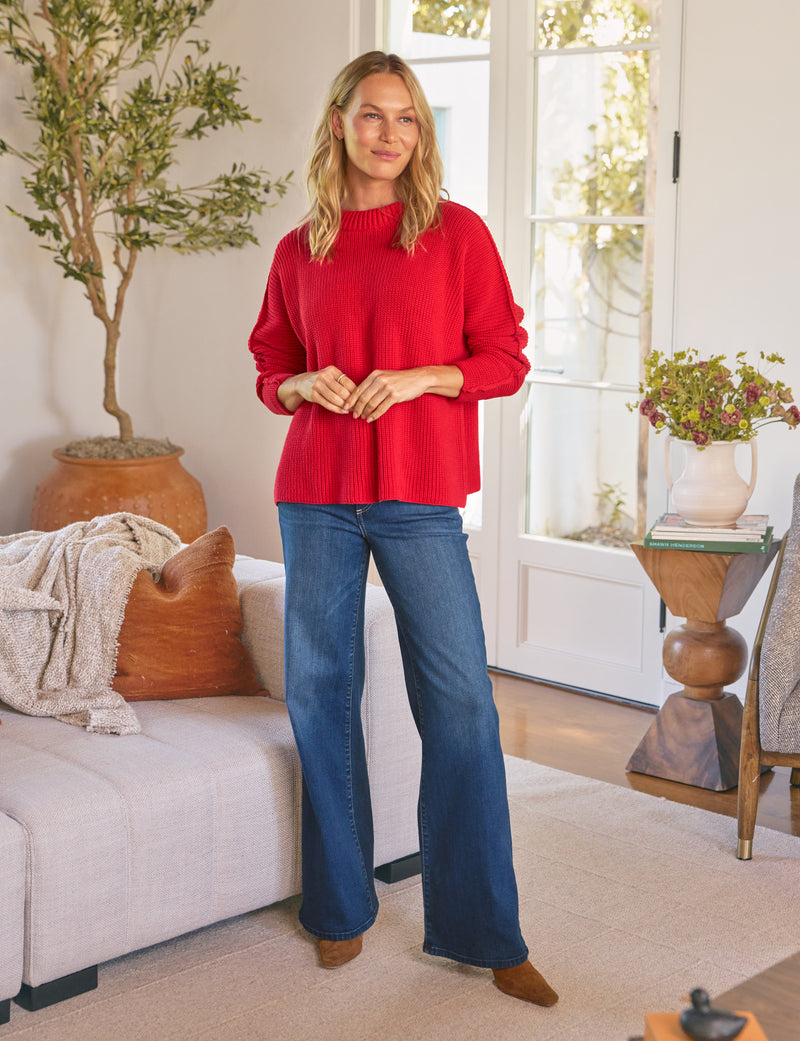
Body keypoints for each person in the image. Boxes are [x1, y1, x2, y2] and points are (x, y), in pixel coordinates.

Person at [248, 50, 558, 1008]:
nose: (390, 134)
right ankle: (340, 909)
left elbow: (505, 356)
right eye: (373, 115)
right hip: (317, 490)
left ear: (421, 135)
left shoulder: (457, 235)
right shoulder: (300, 249)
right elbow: (270, 365)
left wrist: (423, 376)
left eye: (409, 119)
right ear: (338, 121)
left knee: (460, 703)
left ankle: (480, 929)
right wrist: (299, 384)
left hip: (420, 493)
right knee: (324, 693)